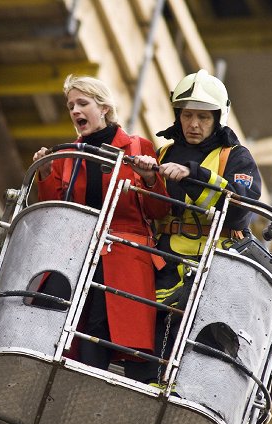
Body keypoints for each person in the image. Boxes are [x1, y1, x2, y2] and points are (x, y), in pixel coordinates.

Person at [32, 74, 170, 382]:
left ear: (104, 107)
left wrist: (149, 178)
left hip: (121, 250)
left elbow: (158, 210)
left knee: (99, 326)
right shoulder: (69, 155)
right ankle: (42, 367)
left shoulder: (136, 147)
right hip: (78, 247)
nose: (75, 111)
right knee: (49, 301)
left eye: (82, 103)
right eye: (71, 106)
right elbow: (56, 207)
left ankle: (88, 382)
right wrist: (44, 172)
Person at [146, 69, 262, 384]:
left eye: (203, 117)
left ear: (216, 119)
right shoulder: (164, 153)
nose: (194, 124)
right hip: (162, 257)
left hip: (212, 264)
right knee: (148, 320)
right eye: (187, 116)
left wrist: (195, 175)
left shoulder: (236, 158)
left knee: (195, 332)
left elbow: (240, 212)